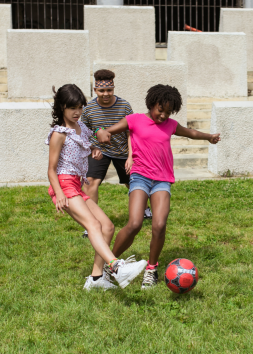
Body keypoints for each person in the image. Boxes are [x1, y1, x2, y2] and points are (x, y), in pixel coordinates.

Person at [96, 84, 221, 289]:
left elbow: (189, 132)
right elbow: (107, 130)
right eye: (160, 110)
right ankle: (111, 264)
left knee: (159, 225)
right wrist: (101, 132)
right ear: (151, 104)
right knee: (135, 223)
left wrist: (209, 137)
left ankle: (151, 269)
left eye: (168, 112)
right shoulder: (135, 119)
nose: (163, 116)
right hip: (140, 177)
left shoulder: (171, 124)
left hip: (162, 179)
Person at [46, 84, 147, 290]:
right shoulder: (59, 133)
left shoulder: (81, 127)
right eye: (72, 108)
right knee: (93, 225)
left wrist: (94, 149)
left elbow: (89, 139)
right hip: (64, 185)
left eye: (80, 107)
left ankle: (96, 278)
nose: (77, 112)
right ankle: (117, 266)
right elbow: (51, 169)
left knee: (107, 227)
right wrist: (59, 193)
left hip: (77, 185)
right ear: (61, 108)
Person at [81, 69, 152, 239]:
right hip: (99, 151)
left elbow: (131, 132)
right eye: (101, 90)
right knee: (90, 183)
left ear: (113, 88)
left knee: (133, 182)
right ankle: (91, 222)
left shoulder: (124, 106)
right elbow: (83, 132)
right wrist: (92, 148)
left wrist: (130, 156)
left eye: (109, 90)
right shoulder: (88, 109)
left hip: (122, 151)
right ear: (95, 90)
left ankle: (144, 209)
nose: (106, 94)